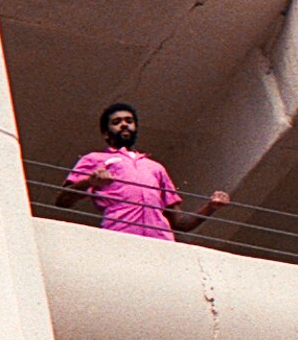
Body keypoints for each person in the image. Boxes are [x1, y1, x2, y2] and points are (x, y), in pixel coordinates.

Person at [66, 102, 227, 239]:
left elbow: (180, 223)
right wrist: (90, 181)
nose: (124, 124)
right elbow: (63, 200)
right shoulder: (94, 158)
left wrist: (211, 207)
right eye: (117, 122)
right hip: (119, 235)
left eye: (129, 121)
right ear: (106, 134)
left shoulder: (155, 167)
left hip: (160, 242)